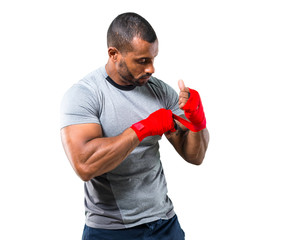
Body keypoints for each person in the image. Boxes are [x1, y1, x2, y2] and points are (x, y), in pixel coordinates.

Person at [60, 12, 209, 240]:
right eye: (142, 61)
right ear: (114, 54)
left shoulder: (159, 91)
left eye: (153, 59)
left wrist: (197, 121)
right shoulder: (85, 94)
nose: (151, 69)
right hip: (110, 230)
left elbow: (195, 156)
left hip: (164, 224)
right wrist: (143, 129)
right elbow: (84, 164)